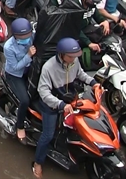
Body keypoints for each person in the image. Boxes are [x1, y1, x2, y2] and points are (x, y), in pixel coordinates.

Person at [34, 37, 97, 178]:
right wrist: (60, 104)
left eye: (75, 56)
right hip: (51, 105)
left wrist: (94, 83)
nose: (74, 59)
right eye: (71, 56)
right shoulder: (48, 68)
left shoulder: (74, 61)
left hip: (70, 100)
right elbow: (43, 92)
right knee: (47, 135)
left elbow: (81, 74)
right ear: (61, 55)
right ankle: (38, 162)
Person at [4, 18, 35, 140]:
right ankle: (20, 125)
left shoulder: (33, 36)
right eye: (22, 37)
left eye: (28, 35)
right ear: (15, 36)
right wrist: (28, 56)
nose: (26, 39)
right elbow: (15, 67)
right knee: (25, 100)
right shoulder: (8, 47)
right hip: (15, 75)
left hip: (30, 70)